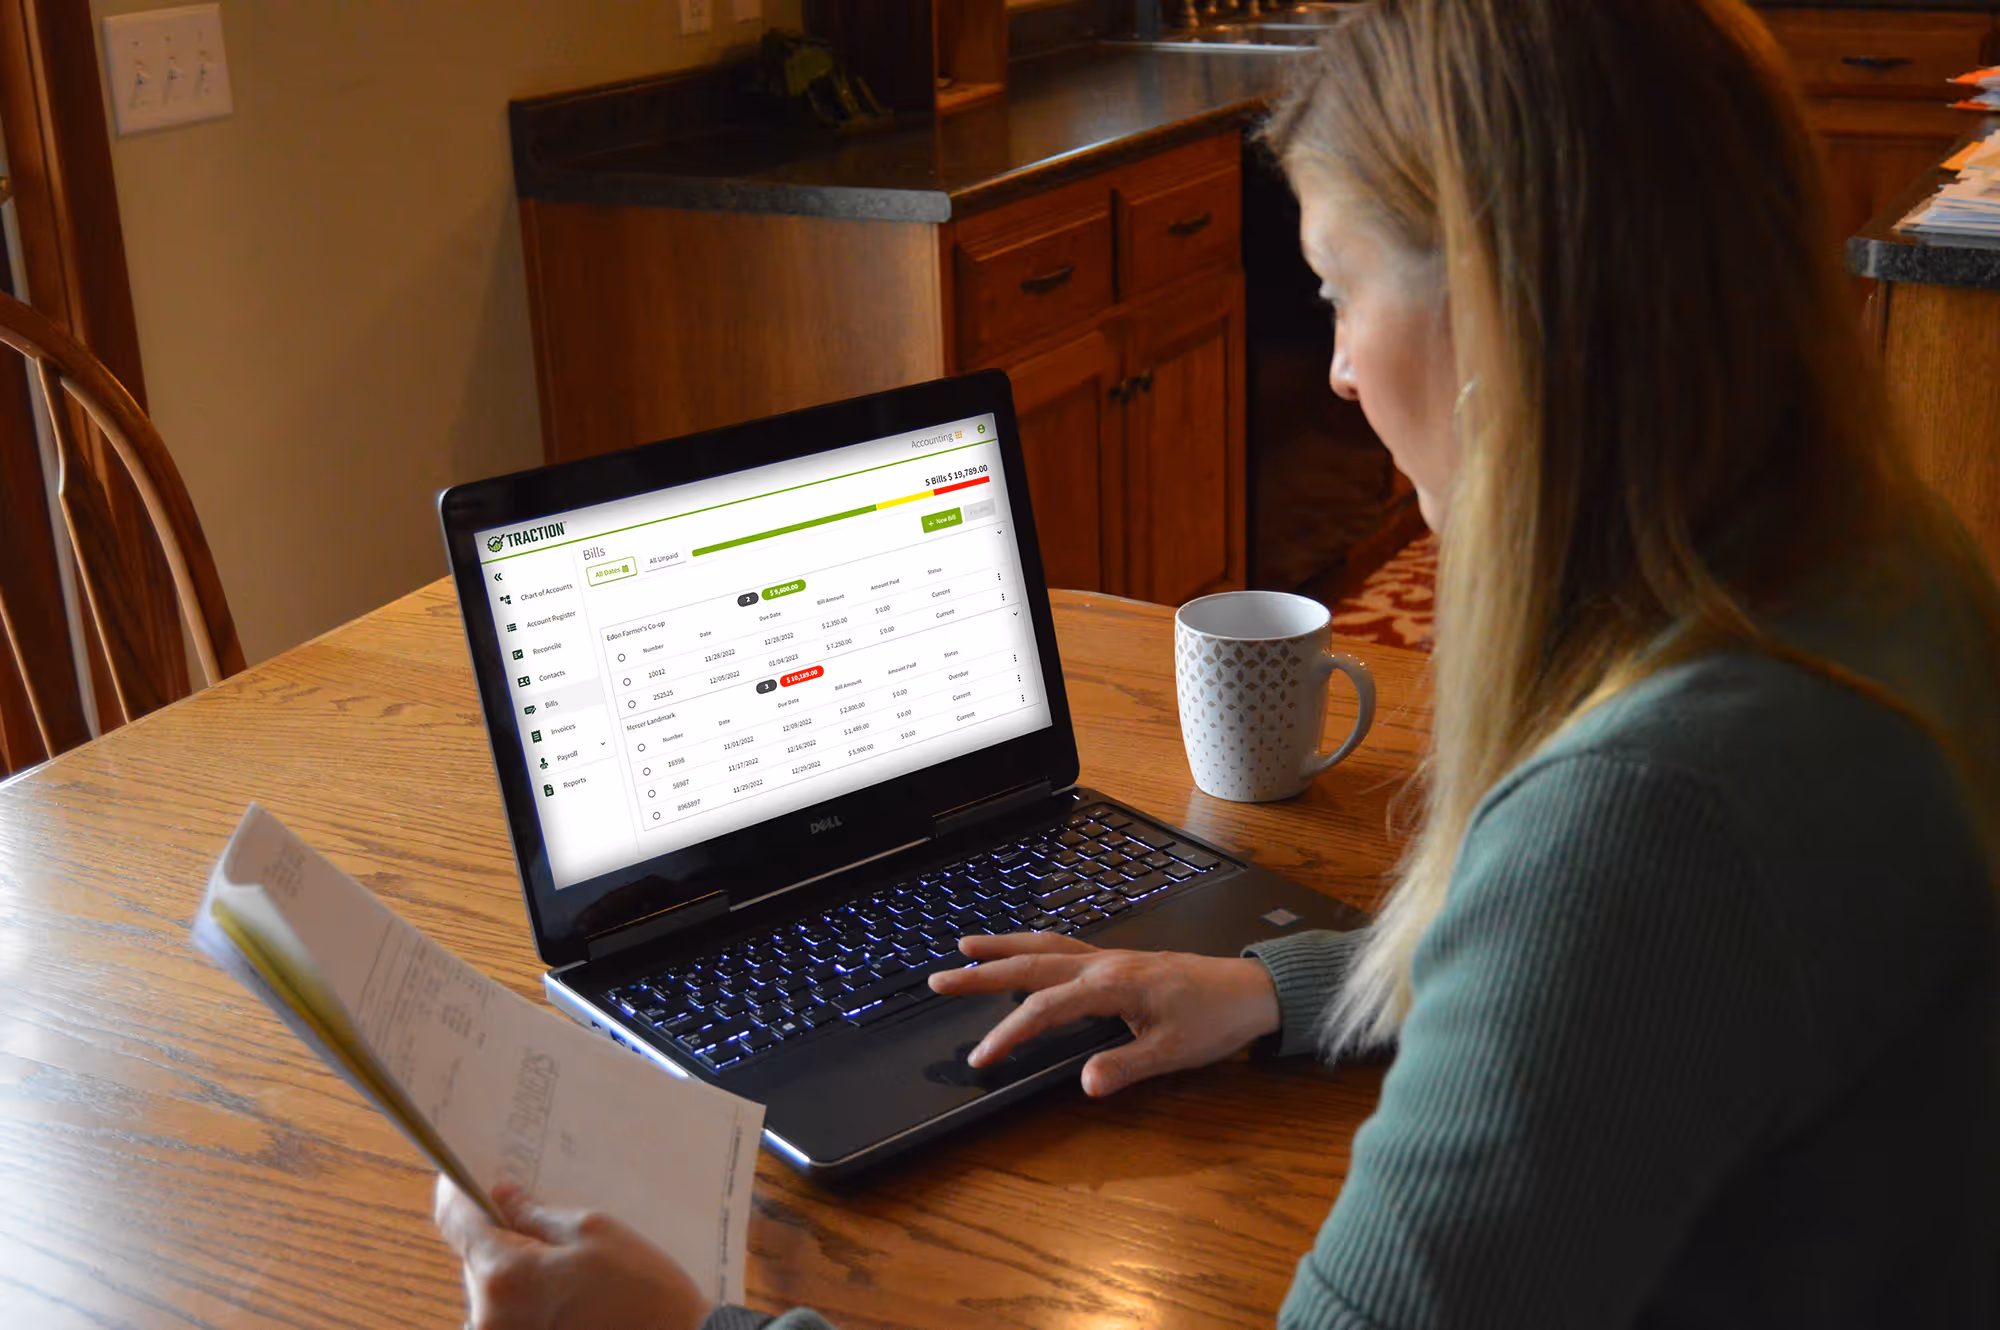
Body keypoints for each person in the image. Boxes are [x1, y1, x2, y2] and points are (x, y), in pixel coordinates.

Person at [433, 0, 2000, 1324]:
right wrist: (1278, 985)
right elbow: (1649, 1013)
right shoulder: (1885, 565)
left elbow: (1626, 928)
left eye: (1337, 291)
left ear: (1502, 308)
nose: (1338, 372)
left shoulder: (1648, 810)